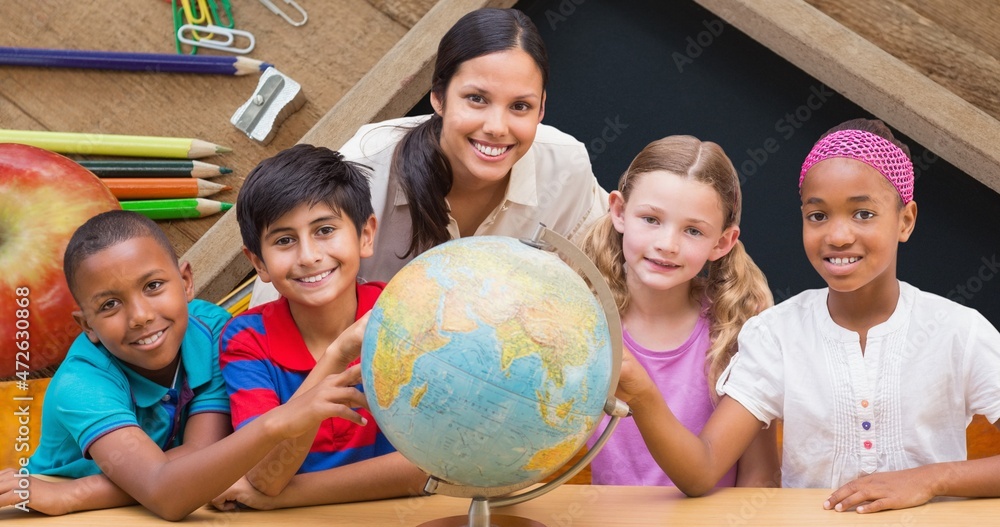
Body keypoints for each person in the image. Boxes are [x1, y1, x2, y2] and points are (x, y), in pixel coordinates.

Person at [613, 119, 1000, 512]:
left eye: (863, 214)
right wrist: (643, 394)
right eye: (818, 216)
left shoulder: (958, 332)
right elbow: (702, 468)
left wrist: (930, 479)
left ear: (905, 220)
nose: (837, 236)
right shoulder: (776, 335)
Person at [0, 210, 368, 520]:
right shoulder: (81, 382)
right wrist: (70, 496)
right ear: (87, 326)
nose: (141, 316)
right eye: (109, 305)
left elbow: (200, 458)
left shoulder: (215, 333)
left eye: (154, 285)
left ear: (186, 281)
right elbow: (167, 493)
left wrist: (87, 491)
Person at [250, 7, 608, 307]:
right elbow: (280, 297)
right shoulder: (363, 171)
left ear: (542, 108)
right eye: (477, 99)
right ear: (438, 97)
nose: (497, 127)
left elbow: (607, 276)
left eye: (520, 106)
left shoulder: (566, 167)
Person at [211, 145, 427, 511]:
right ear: (258, 263)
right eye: (283, 240)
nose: (308, 256)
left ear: (365, 235)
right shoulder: (246, 339)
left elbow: (431, 467)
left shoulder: (406, 314)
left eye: (325, 230)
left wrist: (286, 497)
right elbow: (265, 474)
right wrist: (337, 354)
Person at [582, 136, 779, 487]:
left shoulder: (737, 330)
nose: (667, 245)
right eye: (651, 219)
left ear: (722, 242)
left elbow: (759, 476)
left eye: (692, 230)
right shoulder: (580, 319)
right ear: (618, 212)